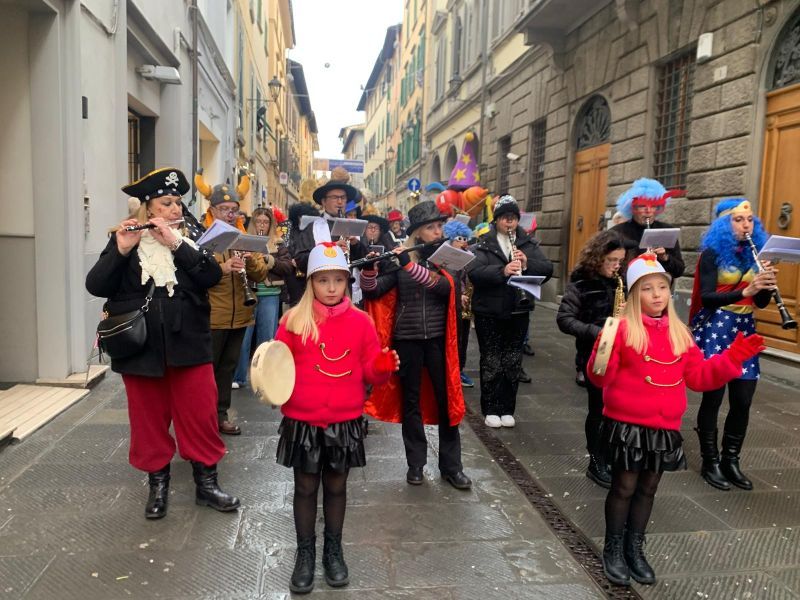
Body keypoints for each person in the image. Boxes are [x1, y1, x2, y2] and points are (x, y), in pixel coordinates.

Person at [587, 253, 764, 587]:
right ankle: (613, 547)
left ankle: (635, 547)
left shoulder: (680, 332)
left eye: (662, 288)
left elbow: (699, 377)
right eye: (647, 289)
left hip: (663, 426)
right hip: (628, 425)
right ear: (634, 296)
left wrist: (735, 356)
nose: (656, 295)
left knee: (649, 487)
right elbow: (600, 380)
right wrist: (603, 350)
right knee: (624, 485)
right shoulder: (622, 329)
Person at [86, 168, 239, 519]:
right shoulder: (124, 240)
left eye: (177, 203)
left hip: (190, 345)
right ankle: (158, 486)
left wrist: (175, 245)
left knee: (200, 416)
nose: (175, 210)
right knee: (148, 420)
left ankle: (207, 484)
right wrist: (121, 250)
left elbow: (211, 276)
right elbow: (96, 284)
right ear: (147, 207)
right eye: (166, 203)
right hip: (141, 350)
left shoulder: (187, 242)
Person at [275, 242, 399, 593]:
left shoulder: (361, 323)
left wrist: (383, 367)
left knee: (336, 485)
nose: (331, 288)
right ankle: (305, 554)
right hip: (303, 419)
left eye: (338, 281)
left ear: (348, 282)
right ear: (311, 282)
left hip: (344, 419)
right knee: (305, 486)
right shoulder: (293, 321)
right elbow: (276, 365)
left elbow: (370, 371)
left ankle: (333, 549)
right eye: (323, 281)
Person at [360, 200, 471, 490]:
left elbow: (443, 288)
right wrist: (370, 269)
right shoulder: (402, 258)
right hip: (406, 341)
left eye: (440, 226)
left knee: (446, 402)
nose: (438, 232)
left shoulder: (448, 259)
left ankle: (451, 466)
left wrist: (408, 265)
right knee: (411, 403)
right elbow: (373, 293)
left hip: (438, 341)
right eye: (431, 228)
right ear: (418, 233)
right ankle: (416, 464)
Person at [689, 198, 776, 491]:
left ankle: (731, 460)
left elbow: (761, 303)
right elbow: (707, 297)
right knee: (713, 398)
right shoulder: (713, 253)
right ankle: (710, 460)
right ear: (725, 224)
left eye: (749, 220)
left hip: (745, 328)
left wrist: (766, 285)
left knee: (743, 400)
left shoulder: (755, 255)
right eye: (738, 220)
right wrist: (745, 290)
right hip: (717, 327)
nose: (745, 225)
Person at [467, 195, 553, 428]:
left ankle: (507, 408)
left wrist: (526, 264)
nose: (510, 223)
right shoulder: (483, 243)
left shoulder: (527, 243)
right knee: (492, 361)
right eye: (505, 219)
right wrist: (502, 270)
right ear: (496, 221)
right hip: (489, 311)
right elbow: (474, 272)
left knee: (513, 361)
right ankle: (491, 408)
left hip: (518, 310)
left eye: (513, 219)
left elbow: (547, 269)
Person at [195, 171, 268, 435]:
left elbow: (260, 274)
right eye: (223, 209)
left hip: (240, 314)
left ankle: (220, 414)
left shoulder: (242, 235)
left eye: (233, 209)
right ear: (211, 209)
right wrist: (221, 267)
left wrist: (249, 259)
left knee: (227, 369)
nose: (229, 213)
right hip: (214, 315)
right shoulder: (205, 237)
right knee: (206, 371)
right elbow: (196, 274)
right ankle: (202, 418)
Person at [557, 230, 626, 488]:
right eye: (612, 261)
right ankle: (596, 462)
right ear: (598, 258)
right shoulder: (581, 283)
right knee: (598, 410)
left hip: (620, 355)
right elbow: (564, 320)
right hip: (594, 355)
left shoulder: (619, 282)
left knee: (615, 410)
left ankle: (608, 455)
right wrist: (599, 332)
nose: (617, 266)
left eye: (620, 261)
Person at [232, 207, 294, 387]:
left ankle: (264, 378)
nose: (262, 225)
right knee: (244, 338)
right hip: (250, 292)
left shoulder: (278, 243)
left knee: (266, 339)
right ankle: (239, 377)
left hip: (270, 294)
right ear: (253, 223)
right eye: (258, 221)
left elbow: (287, 267)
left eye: (266, 222)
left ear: (271, 224)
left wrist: (269, 260)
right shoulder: (245, 240)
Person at [292, 168, 367, 276]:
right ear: (324, 202)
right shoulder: (312, 227)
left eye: (343, 197)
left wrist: (355, 245)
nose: (340, 202)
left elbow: (366, 264)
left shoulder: (355, 227)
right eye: (335, 197)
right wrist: (330, 249)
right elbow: (301, 261)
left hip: (350, 289)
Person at [610, 178, 685, 279]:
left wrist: (664, 257)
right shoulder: (617, 232)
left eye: (653, 206)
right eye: (642, 206)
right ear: (633, 208)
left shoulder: (666, 230)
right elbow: (609, 267)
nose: (648, 211)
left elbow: (679, 271)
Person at [443, 219, 477, 388]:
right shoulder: (446, 258)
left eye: (465, 239)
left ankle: (460, 369)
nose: (463, 242)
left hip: (465, 307)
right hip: (451, 306)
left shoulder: (469, 257)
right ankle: (452, 371)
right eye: (459, 239)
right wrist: (460, 294)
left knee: (463, 341)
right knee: (453, 340)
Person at [285, 202, 321, 306]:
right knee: (297, 305)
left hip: (311, 273)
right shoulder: (290, 231)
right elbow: (284, 248)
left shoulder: (314, 231)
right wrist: (291, 258)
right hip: (294, 277)